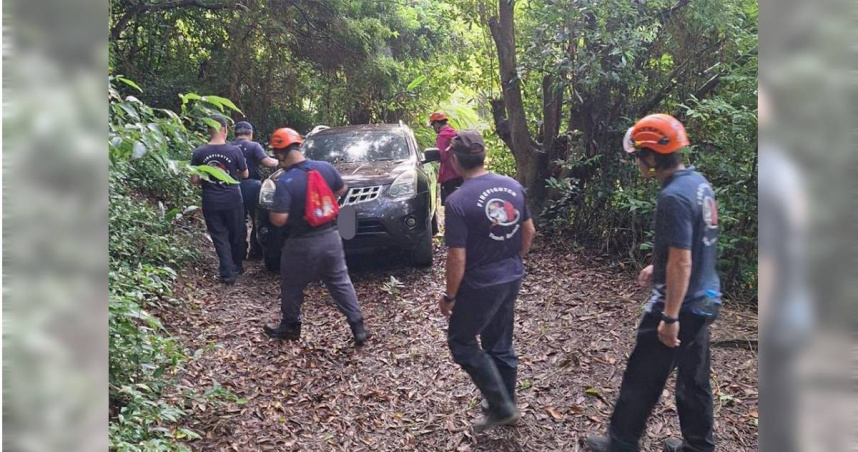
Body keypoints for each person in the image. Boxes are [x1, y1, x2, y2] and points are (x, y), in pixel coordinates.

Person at [586, 114, 721, 452]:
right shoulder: (698, 183)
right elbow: (692, 243)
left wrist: (670, 317)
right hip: (706, 297)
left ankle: (620, 443)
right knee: (694, 377)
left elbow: (682, 259)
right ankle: (699, 446)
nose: (635, 162)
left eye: (637, 155)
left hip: (683, 304)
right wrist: (658, 266)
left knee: (642, 376)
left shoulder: (672, 196)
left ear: (650, 156)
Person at [439, 130, 536, 432]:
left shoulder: (457, 201)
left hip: (480, 285)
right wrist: (511, 259)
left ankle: (500, 404)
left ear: (454, 160)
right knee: (500, 342)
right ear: (483, 155)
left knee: (461, 341)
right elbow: (529, 230)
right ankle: (506, 406)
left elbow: (457, 257)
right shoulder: (512, 185)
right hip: (511, 275)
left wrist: (450, 296)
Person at [262, 127, 370, 346]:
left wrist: (277, 210)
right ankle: (358, 326)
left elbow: (279, 219)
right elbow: (341, 190)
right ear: (299, 146)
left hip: (300, 243)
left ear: (280, 153)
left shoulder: (286, 181)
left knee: (292, 284)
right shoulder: (325, 168)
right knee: (340, 281)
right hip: (331, 237)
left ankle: (290, 326)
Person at [190, 115, 249, 285]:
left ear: (209, 130)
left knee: (219, 236)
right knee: (236, 232)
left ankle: (227, 273)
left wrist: (208, 176)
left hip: (211, 200)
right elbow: (245, 174)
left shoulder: (199, 152)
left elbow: (194, 180)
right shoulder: (234, 151)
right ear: (225, 129)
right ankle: (237, 266)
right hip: (233, 198)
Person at [231, 120, 279, 259]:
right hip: (252, 186)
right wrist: (281, 161)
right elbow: (268, 163)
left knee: (239, 220)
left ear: (235, 134)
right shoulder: (253, 146)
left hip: (232, 186)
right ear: (250, 134)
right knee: (257, 219)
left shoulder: (228, 147)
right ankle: (255, 252)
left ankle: (239, 252)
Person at [428, 111, 462, 204]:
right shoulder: (455, 133)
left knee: (451, 205)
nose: (433, 128)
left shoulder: (442, 136)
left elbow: (441, 156)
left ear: (437, 123)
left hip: (449, 176)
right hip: (462, 174)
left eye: (433, 125)